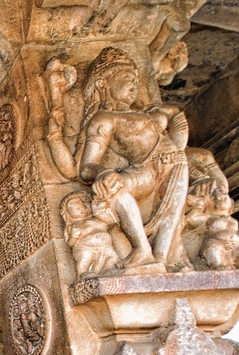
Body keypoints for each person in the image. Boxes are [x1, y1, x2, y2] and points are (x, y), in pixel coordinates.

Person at [78, 48, 191, 272]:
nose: (133, 86)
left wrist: (177, 146)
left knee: (173, 214)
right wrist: (103, 173)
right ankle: (141, 248)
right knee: (114, 191)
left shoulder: (148, 112)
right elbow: (86, 168)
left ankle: (160, 257)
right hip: (145, 168)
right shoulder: (105, 119)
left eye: (136, 80)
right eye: (126, 79)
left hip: (175, 162)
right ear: (103, 84)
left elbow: (177, 114)